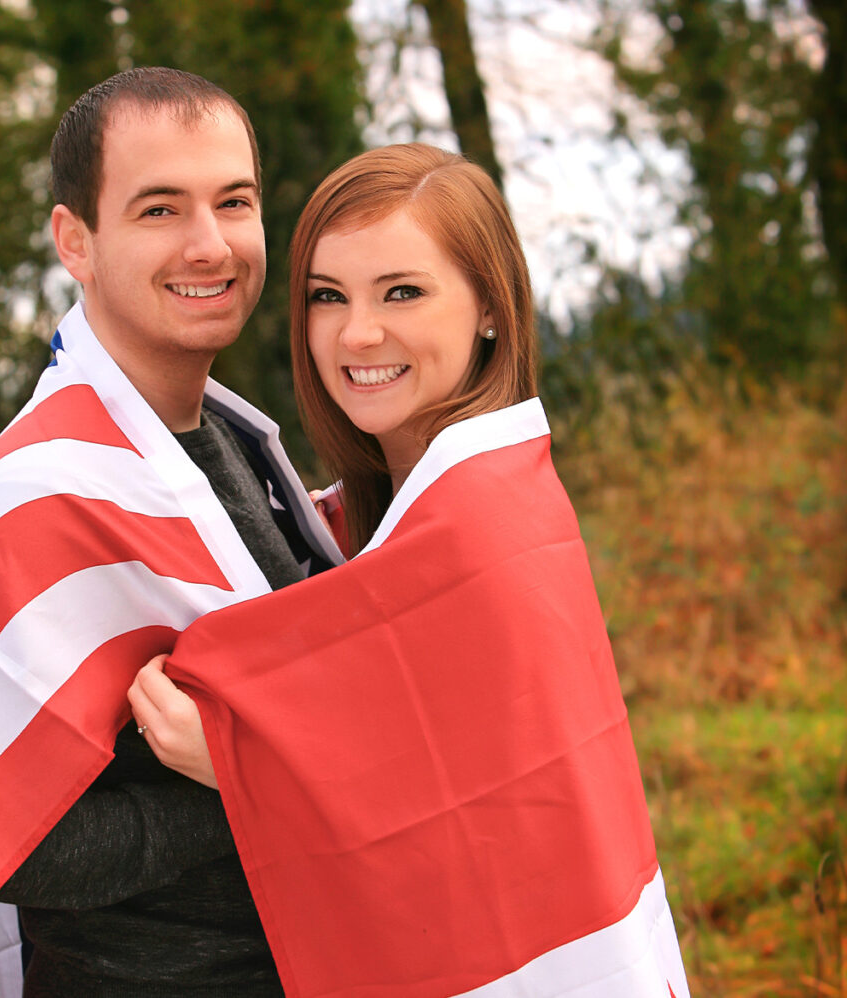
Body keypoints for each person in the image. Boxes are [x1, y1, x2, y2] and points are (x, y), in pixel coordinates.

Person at [129, 144, 691, 997]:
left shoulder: (475, 523)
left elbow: (466, 797)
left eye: (403, 292)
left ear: (491, 309)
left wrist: (236, 755)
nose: (357, 333)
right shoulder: (412, 507)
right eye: (328, 296)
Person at [0, 67, 341, 998]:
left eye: (235, 201)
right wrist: (258, 783)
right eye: (161, 209)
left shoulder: (241, 447)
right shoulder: (35, 500)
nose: (211, 245)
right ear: (75, 242)